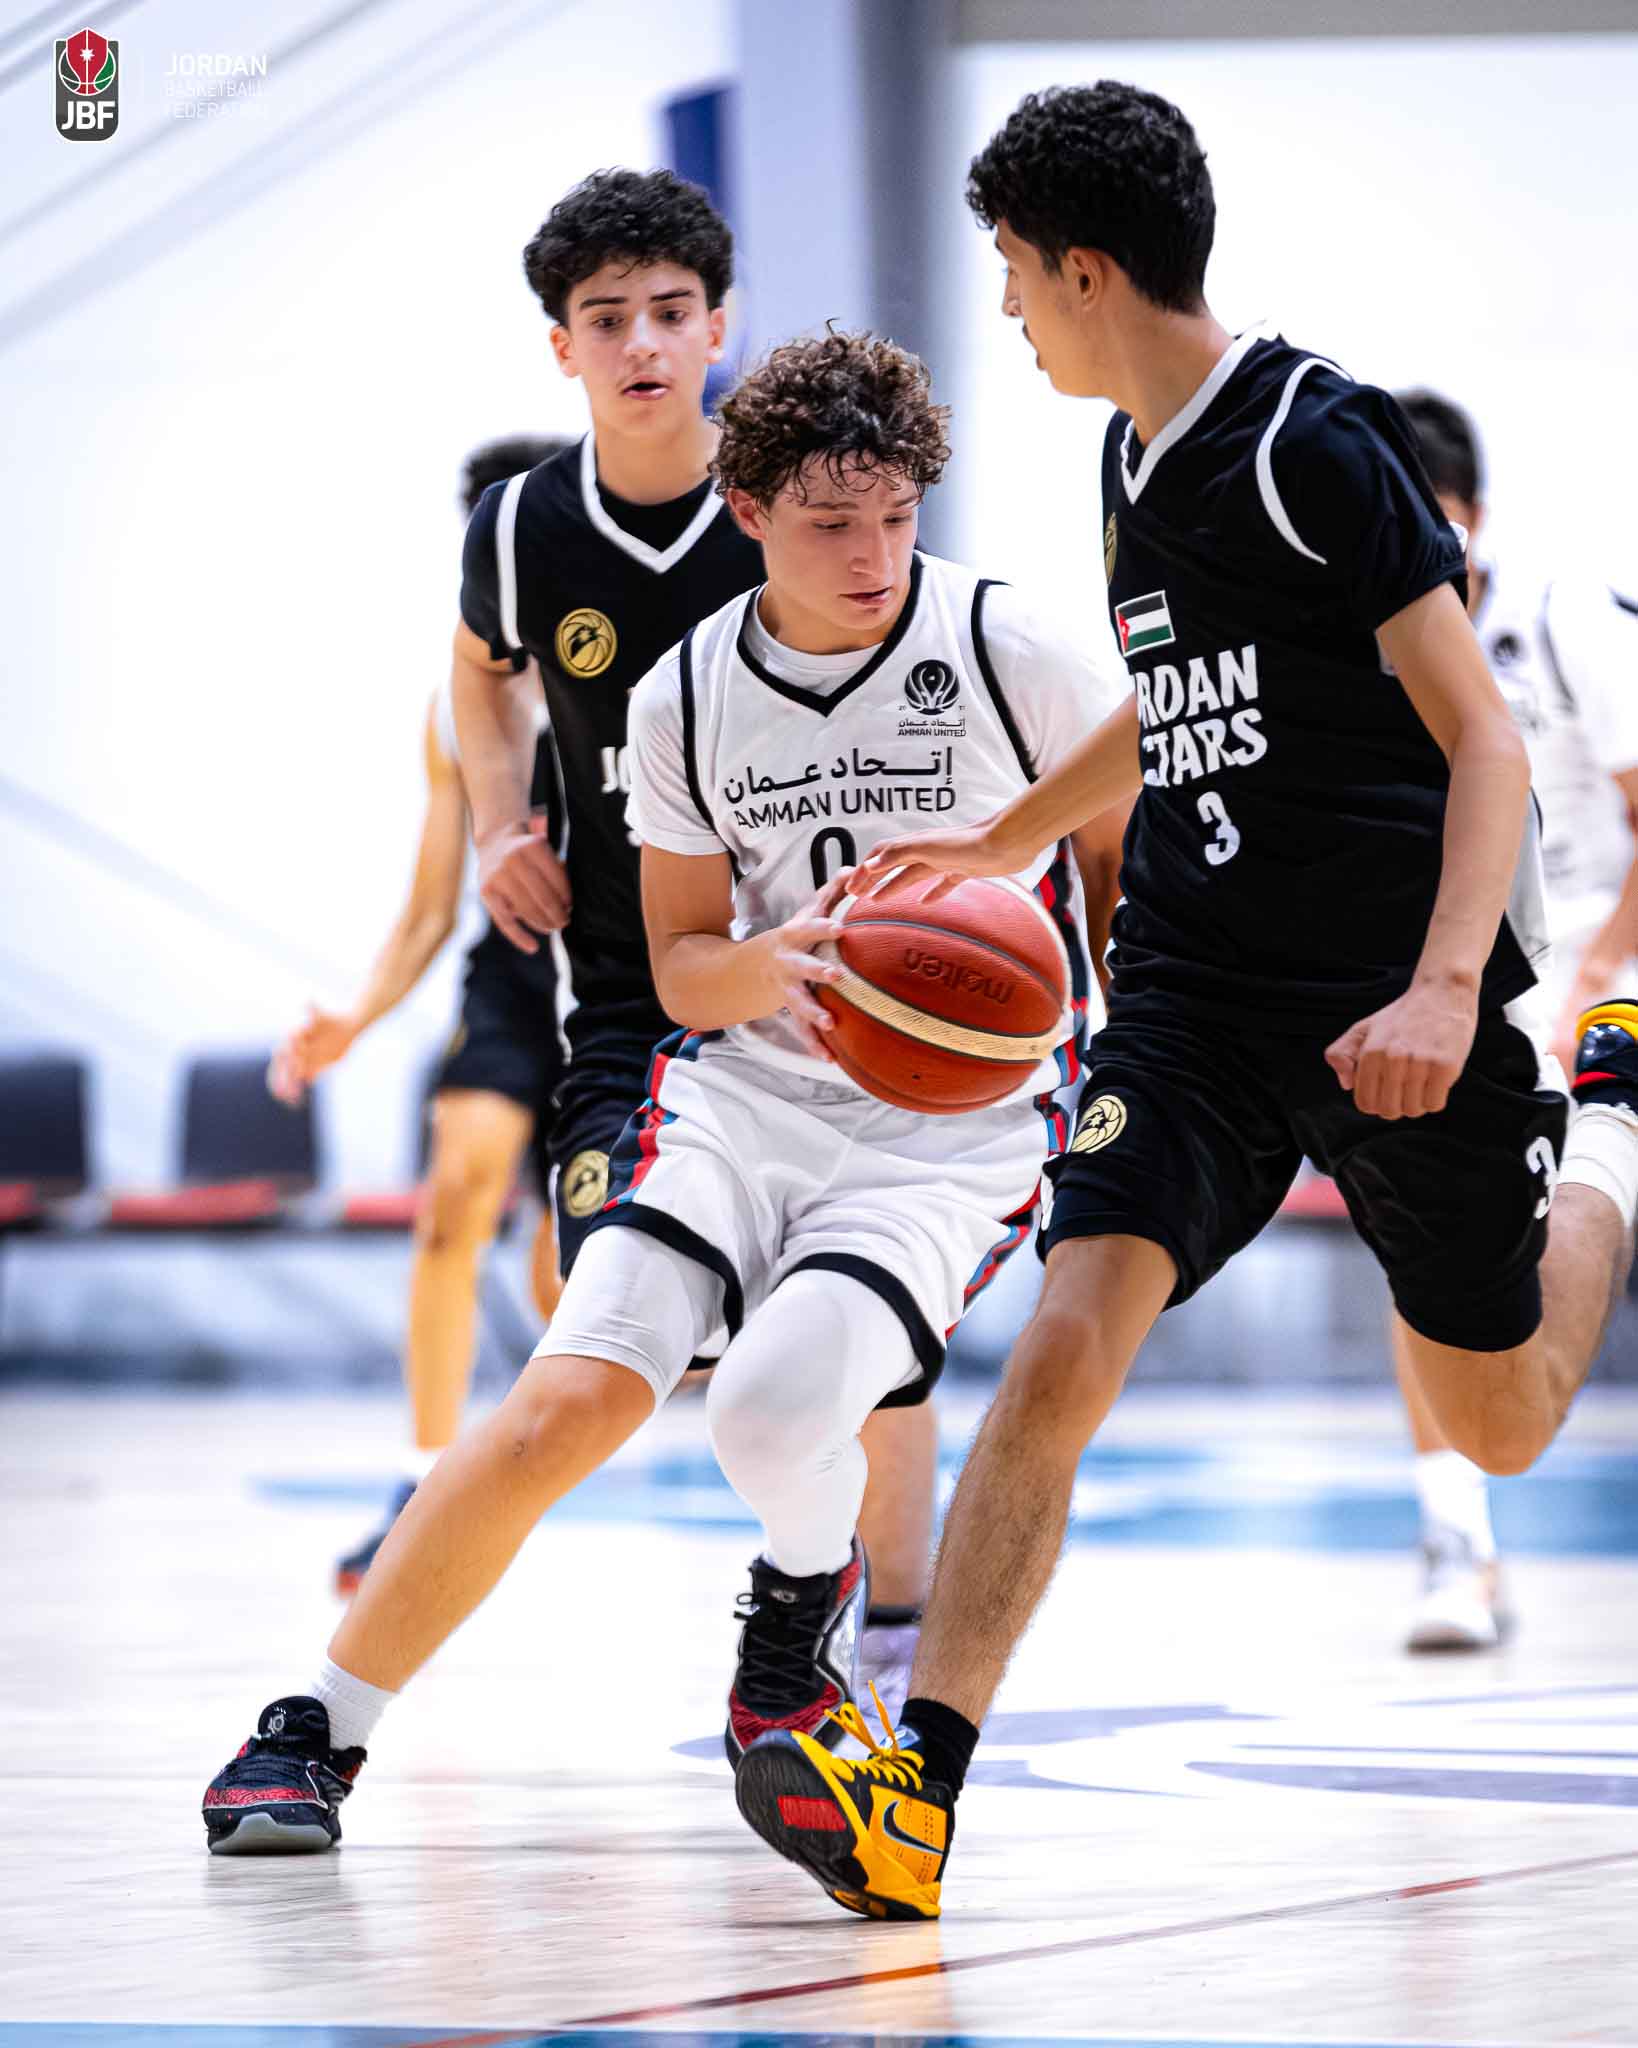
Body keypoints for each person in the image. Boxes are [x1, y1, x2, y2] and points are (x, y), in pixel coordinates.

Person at [730, 81, 1638, 1923]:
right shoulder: (1124, 460)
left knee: (1500, 1422)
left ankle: (1609, 1118)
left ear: (1085, 268)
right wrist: (1000, 837)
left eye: (1012, 270)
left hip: (1389, 998)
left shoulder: (1316, 440)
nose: (1003, 307)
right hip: (1194, 996)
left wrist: (1446, 991)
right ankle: (919, 1792)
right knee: (1062, 1342)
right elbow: (1174, 704)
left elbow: (1480, 740)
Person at [199, 327, 1129, 1852]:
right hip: (746, 1097)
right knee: (564, 1399)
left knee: (766, 1412)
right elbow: (684, 967)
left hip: (951, 1128)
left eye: (897, 516)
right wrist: (785, 968)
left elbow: (1124, 825)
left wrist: (1106, 1002)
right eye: (831, 523)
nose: (873, 555)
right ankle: (314, 1729)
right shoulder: (684, 694)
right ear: (746, 511)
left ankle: (793, 1623)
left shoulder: (1004, 644)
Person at [269, 435, 573, 1595]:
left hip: (625, 982)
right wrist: (352, 1015)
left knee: (571, 1280)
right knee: (453, 1197)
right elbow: (429, 907)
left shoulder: (647, 663)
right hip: (512, 978)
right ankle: (422, 1476)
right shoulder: (456, 707)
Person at [1384, 390, 1638, 1650]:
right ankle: (1458, 1543)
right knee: (1412, 1189)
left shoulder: (1560, 617)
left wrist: (1601, 972)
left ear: (1472, 516)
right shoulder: (1361, 644)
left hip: (1610, 962)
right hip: (1490, 984)